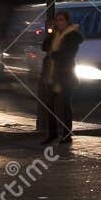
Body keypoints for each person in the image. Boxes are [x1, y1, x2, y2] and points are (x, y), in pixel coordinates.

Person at [39, 11, 85, 145]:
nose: (59, 23)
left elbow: (68, 54)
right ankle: (52, 134)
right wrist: (51, 33)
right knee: (50, 106)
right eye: (57, 20)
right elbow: (44, 47)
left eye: (61, 20)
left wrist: (53, 55)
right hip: (53, 75)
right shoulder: (55, 35)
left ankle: (66, 135)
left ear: (67, 21)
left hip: (65, 75)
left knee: (65, 106)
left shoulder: (72, 36)